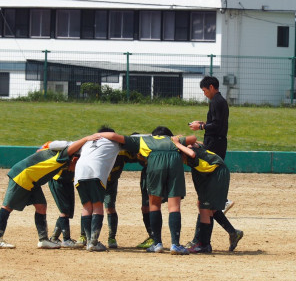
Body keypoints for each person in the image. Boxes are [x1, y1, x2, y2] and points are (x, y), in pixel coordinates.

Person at [98, 127, 196, 255]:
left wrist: (94, 136)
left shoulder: (145, 140)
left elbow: (115, 136)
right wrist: (177, 139)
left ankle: (157, 243)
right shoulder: (172, 140)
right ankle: (175, 245)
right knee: (174, 206)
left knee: (154, 204)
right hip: (174, 162)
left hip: (155, 162)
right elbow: (193, 138)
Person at [0, 135, 100, 249]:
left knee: (41, 206)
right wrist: (88, 138)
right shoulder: (62, 155)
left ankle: (43, 240)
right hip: (23, 175)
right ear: (74, 159)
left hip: (33, 181)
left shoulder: (64, 160)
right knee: (7, 207)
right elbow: (71, 148)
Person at [172, 137, 243, 252]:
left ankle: (204, 245)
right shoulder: (193, 146)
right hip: (213, 172)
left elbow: (192, 154)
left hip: (216, 173)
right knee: (208, 207)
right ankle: (233, 232)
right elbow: (198, 143)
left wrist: (177, 144)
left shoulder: (188, 151)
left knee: (205, 207)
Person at [188, 75, 236, 246]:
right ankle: (230, 231)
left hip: (215, 144)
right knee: (205, 201)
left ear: (210, 87)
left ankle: (200, 241)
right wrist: (203, 123)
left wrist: (200, 127)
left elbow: (216, 126)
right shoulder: (219, 101)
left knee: (206, 200)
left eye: (204, 90)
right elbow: (216, 123)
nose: (204, 94)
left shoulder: (216, 101)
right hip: (217, 143)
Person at [73, 126, 121, 252]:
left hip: (79, 174)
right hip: (96, 173)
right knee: (98, 205)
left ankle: (89, 240)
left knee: (86, 206)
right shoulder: (114, 142)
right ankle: (93, 242)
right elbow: (136, 138)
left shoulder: (87, 142)